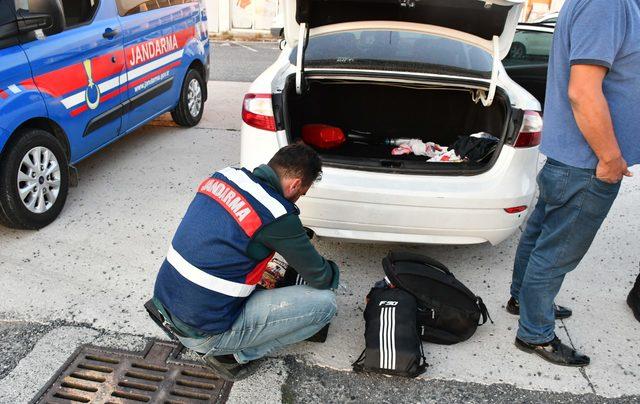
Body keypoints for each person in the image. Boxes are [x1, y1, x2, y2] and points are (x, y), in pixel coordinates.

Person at [507, 0, 638, 367]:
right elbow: (582, 91)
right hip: (590, 162)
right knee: (558, 250)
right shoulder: (607, 5)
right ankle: (535, 333)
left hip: (573, 159)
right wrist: (610, 158)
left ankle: (522, 299)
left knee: (539, 234)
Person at [150, 143, 339, 380]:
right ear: (296, 184)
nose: (299, 198)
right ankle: (230, 355)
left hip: (165, 301)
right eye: (302, 193)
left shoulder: (223, 177)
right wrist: (334, 272)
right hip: (203, 332)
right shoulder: (277, 214)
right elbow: (320, 277)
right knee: (326, 304)